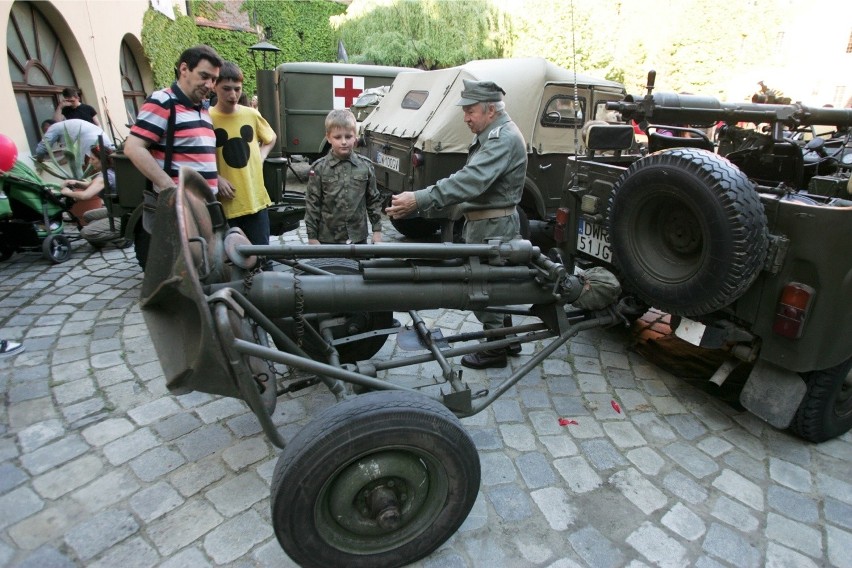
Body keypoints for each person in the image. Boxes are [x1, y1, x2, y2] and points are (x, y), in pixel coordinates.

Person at [385, 79, 527, 369]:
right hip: (489, 225)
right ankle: (507, 339)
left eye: (470, 110)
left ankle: (494, 351)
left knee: (483, 285)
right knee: (495, 281)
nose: (466, 117)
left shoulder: (501, 138)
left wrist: (421, 199)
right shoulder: (494, 134)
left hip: (493, 228)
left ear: (490, 110)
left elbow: (470, 181)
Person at [124, 44, 223, 268]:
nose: (209, 85)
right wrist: (170, 188)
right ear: (184, 69)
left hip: (202, 207)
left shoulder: (202, 109)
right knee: (180, 272)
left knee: (201, 269)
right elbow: (133, 147)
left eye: (214, 79)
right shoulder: (164, 101)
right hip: (178, 209)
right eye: (204, 76)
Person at [209, 61, 277, 248]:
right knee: (230, 259)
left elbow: (270, 138)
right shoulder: (207, 118)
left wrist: (262, 156)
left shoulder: (251, 115)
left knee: (262, 254)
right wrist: (216, 178)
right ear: (214, 86)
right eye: (226, 89)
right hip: (226, 205)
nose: (233, 95)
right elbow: (198, 157)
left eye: (237, 89)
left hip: (254, 200)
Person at [304, 109, 383, 246]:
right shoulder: (319, 168)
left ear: (355, 137)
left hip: (357, 237)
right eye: (338, 137)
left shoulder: (365, 166)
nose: (344, 142)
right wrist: (312, 236)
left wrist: (377, 230)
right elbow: (312, 204)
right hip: (328, 239)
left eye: (348, 136)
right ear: (328, 137)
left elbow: (373, 200)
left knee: (358, 267)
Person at [59, 144, 126, 247]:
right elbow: (91, 186)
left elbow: (85, 196)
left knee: (86, 232)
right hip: (118, 209)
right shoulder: (111, 171)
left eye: (93, 159)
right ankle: (108, 232)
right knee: (87, 215)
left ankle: (123, 237)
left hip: (121, 215)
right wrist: (75, 182)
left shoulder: (104, 177)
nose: (90, 162)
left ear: (102, 160)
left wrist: (67, 192)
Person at [34, 119, 113, 162]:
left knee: (90, 168)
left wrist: (39, 160)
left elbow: (42, 148)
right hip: (103, 137)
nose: (46, 134)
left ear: (47, 128)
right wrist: (59, 162)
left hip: (89, 141)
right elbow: (70, 155)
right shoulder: (67, 126)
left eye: (45, 132)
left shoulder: (53, 128)